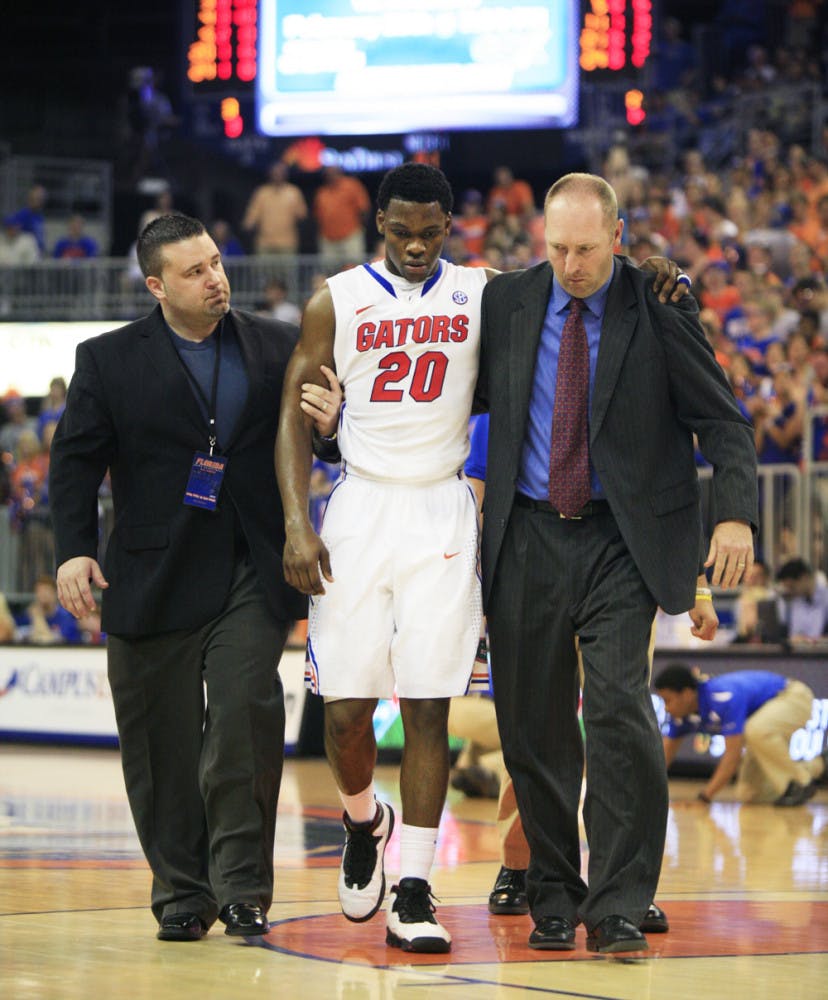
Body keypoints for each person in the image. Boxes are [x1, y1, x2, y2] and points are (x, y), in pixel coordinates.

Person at [275, 163, 689, 954]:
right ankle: (364, 822)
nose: (418, 246)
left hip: (443, 509)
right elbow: (295, 415)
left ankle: (418, 889)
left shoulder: (487, 293)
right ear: (380, 228)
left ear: (452, 227)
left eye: (433, 232)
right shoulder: (336, 298)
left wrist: (658, 272)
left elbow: (582, 288)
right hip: (359, 505)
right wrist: (298, 523)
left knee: (430, 704)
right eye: (402, 232)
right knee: (346, 715)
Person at [476, 172, 758, 954]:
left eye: (587, 250)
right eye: (557, 248)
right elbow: (446, 400)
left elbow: (723, 421)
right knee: (532, 731)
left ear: (620, 237)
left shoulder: (659, 303)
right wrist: (339, 431)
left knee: (618, 714)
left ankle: (621, 902)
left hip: (621, 539)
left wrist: (734, 514)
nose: (570, 264)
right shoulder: (505, 302)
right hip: (526, 534)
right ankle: (553, 896)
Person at [48, 213, 335, 943]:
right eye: (195, 271)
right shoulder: (106, 360)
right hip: (151, 569)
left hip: (249, 560)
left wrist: (332, 425)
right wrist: (74, 549)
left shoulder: (276, 343)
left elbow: (323, 432)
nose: (215, 279)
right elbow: (75, 463)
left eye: (215, 262)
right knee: (159, 746)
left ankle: (241, 888)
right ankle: (182, 889)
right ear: (156, 285)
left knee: (245, 711)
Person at [656, 663, 828, 807]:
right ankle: (820, 765)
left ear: (686, 694)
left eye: (668, 700)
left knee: (756, 730)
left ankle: (800, 783)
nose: (665, 708)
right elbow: (663, 758)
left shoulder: (722, 697)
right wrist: (645, 796)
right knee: (748, 794)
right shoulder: (680, 716)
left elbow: (733, 756)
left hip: (793, 697)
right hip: (760, 719)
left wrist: (704, 797)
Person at [242, 161, 308, 255]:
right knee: (263, 270)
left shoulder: (294, 192)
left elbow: (302, 215)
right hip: (265, 243)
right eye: (275, 173)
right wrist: (248, 225)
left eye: (281, 173)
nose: (278, 175)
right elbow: (252, 215)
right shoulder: (262, 193)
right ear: (270, 175)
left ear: (285, 175)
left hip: (287, 243)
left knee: (288, 269)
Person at [313, 166, 371, 266]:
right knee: (330, 273)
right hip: (328, 240)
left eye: (334, 172)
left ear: (340, 172)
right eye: (328, 174)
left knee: (354, 270)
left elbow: (364, 210)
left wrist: (359, 229)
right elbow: (318, 217)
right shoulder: (322, 192)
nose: (331, 176)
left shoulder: (352, 186)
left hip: (350, 237)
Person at [14, 574, 81, 644]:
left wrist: (38, 617)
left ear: (56, 594)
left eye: (47, 591)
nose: (43, 595)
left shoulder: (66, 618)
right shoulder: (26, 617)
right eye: (39, 591)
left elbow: (51, 643)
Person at [774, 557, 828, 641]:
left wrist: (814, 640)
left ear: (804, 578)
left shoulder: (825, 599)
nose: (790, 592)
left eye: (792, 587)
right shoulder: (794, 602)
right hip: (798, 651)